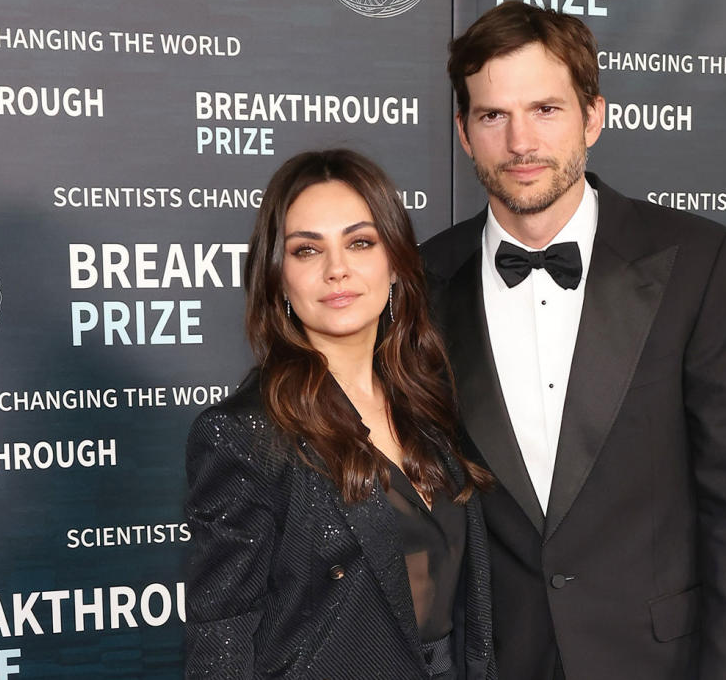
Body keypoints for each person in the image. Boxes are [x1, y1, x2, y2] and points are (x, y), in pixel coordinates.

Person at [421, 1, 726, 679]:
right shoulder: (421, 282)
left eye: (546, 110)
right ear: (464, 134)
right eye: (493, 115)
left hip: (658, 660)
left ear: (594, 116)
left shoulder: (698, 263)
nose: (520, 142)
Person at [185, 149, 496, 680]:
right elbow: (223, 637)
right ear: (278, 277)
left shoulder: (429, 403)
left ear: (395, 262)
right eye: (307, 251)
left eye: (360, 242)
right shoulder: (245, 434)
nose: (337, 270)